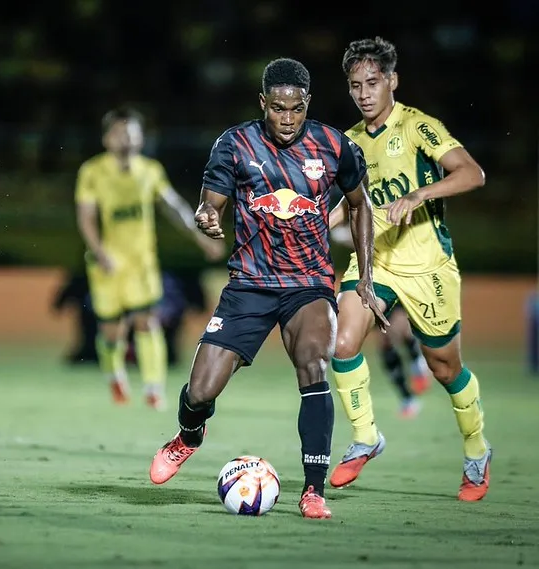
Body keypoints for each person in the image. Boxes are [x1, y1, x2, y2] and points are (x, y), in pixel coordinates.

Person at [147, 58, 387, 519]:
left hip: (308, 284)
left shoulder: (335, 145)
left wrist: (367, 280)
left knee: (316, 362)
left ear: (307, 104)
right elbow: (210, 201)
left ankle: (313, 490)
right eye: (278, 108)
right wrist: (207, 216)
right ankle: (188, 438)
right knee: (200, 391)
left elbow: (360, 206)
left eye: (296, 109)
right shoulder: (235, 143)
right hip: (250, 284)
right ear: (263, 104)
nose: (287, 118)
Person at [327, 37, 490, 501]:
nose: (363, 93)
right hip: (374, 261)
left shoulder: (419, 126)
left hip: (428, 266)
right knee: (342, 342)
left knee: (444, 367)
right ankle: (365, 437)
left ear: (392, 81)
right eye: (355, 85)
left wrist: (420, 194)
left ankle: (477, 449)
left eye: (372, 83)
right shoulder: (350, 142)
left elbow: (472, 173)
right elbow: (348, 203)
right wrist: (316, 222)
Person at [75, 107, 223, 411]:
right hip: (106, 262)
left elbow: (173, 207)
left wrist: (200, 237)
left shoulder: (150, 171)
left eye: (131, 131)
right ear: (106, 138)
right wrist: (101, 252)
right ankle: (115, 376)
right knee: (111, 330)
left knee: (146, 322)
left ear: (141, 137)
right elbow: (86, 216)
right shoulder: (92, 171)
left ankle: (154, 389)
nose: (126, 137)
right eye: (118, 132)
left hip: (141, 261)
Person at [331, 219, 431, 418]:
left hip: (396, 277)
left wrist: (344, 234)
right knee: (386, 341)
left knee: (402, 329)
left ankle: (416, 360)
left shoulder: (393, 213)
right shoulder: (360, 209)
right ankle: (407, 397)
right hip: (371, 282)